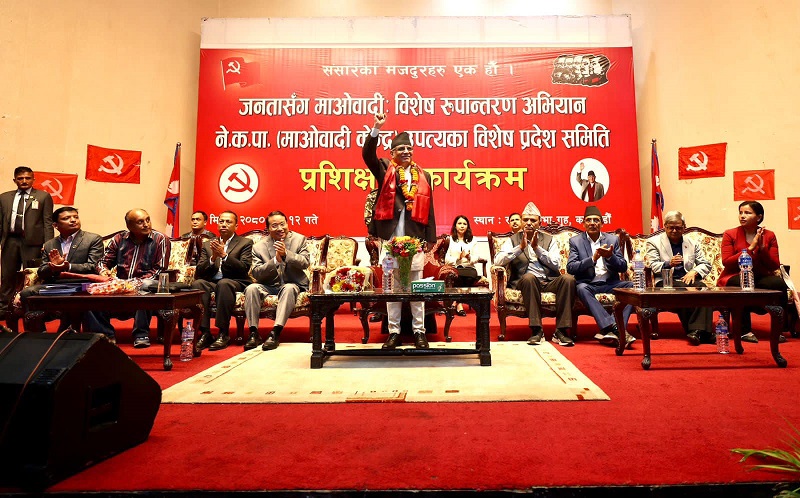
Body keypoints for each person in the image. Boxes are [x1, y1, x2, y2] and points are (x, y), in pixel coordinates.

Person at [363, 112, 437, 350]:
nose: (406, 152)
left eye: (409, 148)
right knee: (391, 286)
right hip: (390, 238)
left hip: (414, 238)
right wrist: (376, 127)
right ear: (392, 152)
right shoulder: (385, 169)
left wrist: (430, 238)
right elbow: (367, 155)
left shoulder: (424, 175)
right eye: (401, 149)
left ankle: (419, 332)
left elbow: (430, 209)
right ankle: (393, 332)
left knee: (416, 285)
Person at [494, 202, 577, 346]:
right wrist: (519, 249)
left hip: (548, 281)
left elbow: (556, 264)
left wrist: (537, 248)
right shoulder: (513, 240)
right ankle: (536, 330)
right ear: (521, 221)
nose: (529, 223)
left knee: (568, 279)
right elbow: (498, 261)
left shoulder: (550, 240)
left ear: (540, 222)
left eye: (533, 220)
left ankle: (561, 331)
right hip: (526, 282)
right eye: (525, 220)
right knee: (529, 278)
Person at [19, 206, 109, 337]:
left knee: (85, 296)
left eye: (75, 217)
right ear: (55, 225)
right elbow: (41, 271)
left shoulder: (93, 239)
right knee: (27, 292)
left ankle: (92, 334)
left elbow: (93, 266)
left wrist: (66, 266)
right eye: (66, 218)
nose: (73, 220)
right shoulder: (50, 244)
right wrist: (52, 267)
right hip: (57, 283)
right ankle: (38, 334)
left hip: (83, 283)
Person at [97, 209, 171, 348]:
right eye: (140, 222)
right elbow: (103, 262)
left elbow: (159, 269)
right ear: (129, 226)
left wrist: (133, 283)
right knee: (92, 289)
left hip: (145, 282)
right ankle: (106, 334)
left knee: (146, 286)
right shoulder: (119, 239)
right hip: (121, 283)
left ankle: (141, 333)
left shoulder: (160, 239)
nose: (146, 224)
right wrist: (104, 271)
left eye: (147, 220)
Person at [718, 200, 788, 343]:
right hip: (734, 275)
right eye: (741, 213)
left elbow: (774, 265)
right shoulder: (730, 234)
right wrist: (750, 248)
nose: (742, 216)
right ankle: (744, 331)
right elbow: (727, 262)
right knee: (742, 283)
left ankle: (778, 330)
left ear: (759, 217)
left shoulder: (769, 235)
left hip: (760, 275)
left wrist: (762, 249)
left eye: (747, 213)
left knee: (779, 284)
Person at [567, 205, 636, 348]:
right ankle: (617, 329)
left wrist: (610, 257)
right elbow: (571, 267)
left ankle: (612, 329)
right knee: (581, 288)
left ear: (602, 223)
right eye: (589, 220)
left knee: (631, 287)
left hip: (610, 283)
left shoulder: (612, 240)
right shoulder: (576, 241)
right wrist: (592, 259)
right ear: (583, 223)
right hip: (588, 284)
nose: (592, 223)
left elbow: (623, 266)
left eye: (596, 220)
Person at [644, 210, 714, 345]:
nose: (674, 231)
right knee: (686, 290)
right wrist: (668, 263)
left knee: (703, 288)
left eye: (678, 228)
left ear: (684, 227)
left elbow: (705, 264)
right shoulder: (654, 242)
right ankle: (702, 332)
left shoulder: (692, 243)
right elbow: (652, 266)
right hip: (665, 281)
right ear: (665, 227)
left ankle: (696, 332)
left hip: (687, 279)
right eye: (671, 227)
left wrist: (694, 272)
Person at [244, 211, 309, 351]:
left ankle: (275, 332)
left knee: (289, 288)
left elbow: (305, 263)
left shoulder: (299, 239)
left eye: (282, 224)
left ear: (287, 224)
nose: (280, 228)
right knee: (251, 288)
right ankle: (253, 332)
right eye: (274, 226)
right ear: (268, 229)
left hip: (294, 283)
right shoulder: (258, 247)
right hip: (269, 285)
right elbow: (256, 273)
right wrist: (275, 261)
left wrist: (286, 254)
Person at [192, 211, 254, 352]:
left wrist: (224, 256)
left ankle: (223, 333)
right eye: (221, 221)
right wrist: (213, 258)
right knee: (198, 284)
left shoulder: (245, 243)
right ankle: (205, 333)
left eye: (228, 222)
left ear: (236, 226)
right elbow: (200, 271)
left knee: (224, 283)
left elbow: (244, 268)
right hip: (213, 281)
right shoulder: (208, 245)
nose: (224, 224)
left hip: (236, 281)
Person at [0, 166, 54, 318]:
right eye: (20, 178)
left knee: (33, 276)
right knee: (7, 276)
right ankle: (4, 308)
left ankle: (35, 308)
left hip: (33, 243)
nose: (24, 181)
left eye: (27, 178)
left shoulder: (43, 196)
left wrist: (48, 244)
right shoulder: (4, 197)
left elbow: (48, 222)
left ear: (33, 179)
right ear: (15, 180)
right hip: (10, 241)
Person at [441, 215, 482, 315]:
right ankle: (459, 304)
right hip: (455, 268)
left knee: (470, 276)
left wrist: (468, 256)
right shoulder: (450, 240)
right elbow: (446, 259)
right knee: (456, 276)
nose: (462, 226)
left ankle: (455, 302)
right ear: (455, 226)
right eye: (459, 223)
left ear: (468, 226)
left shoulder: (473, 240)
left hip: (469, 268)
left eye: (464, 224)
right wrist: (458, 258)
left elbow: (477, 257)